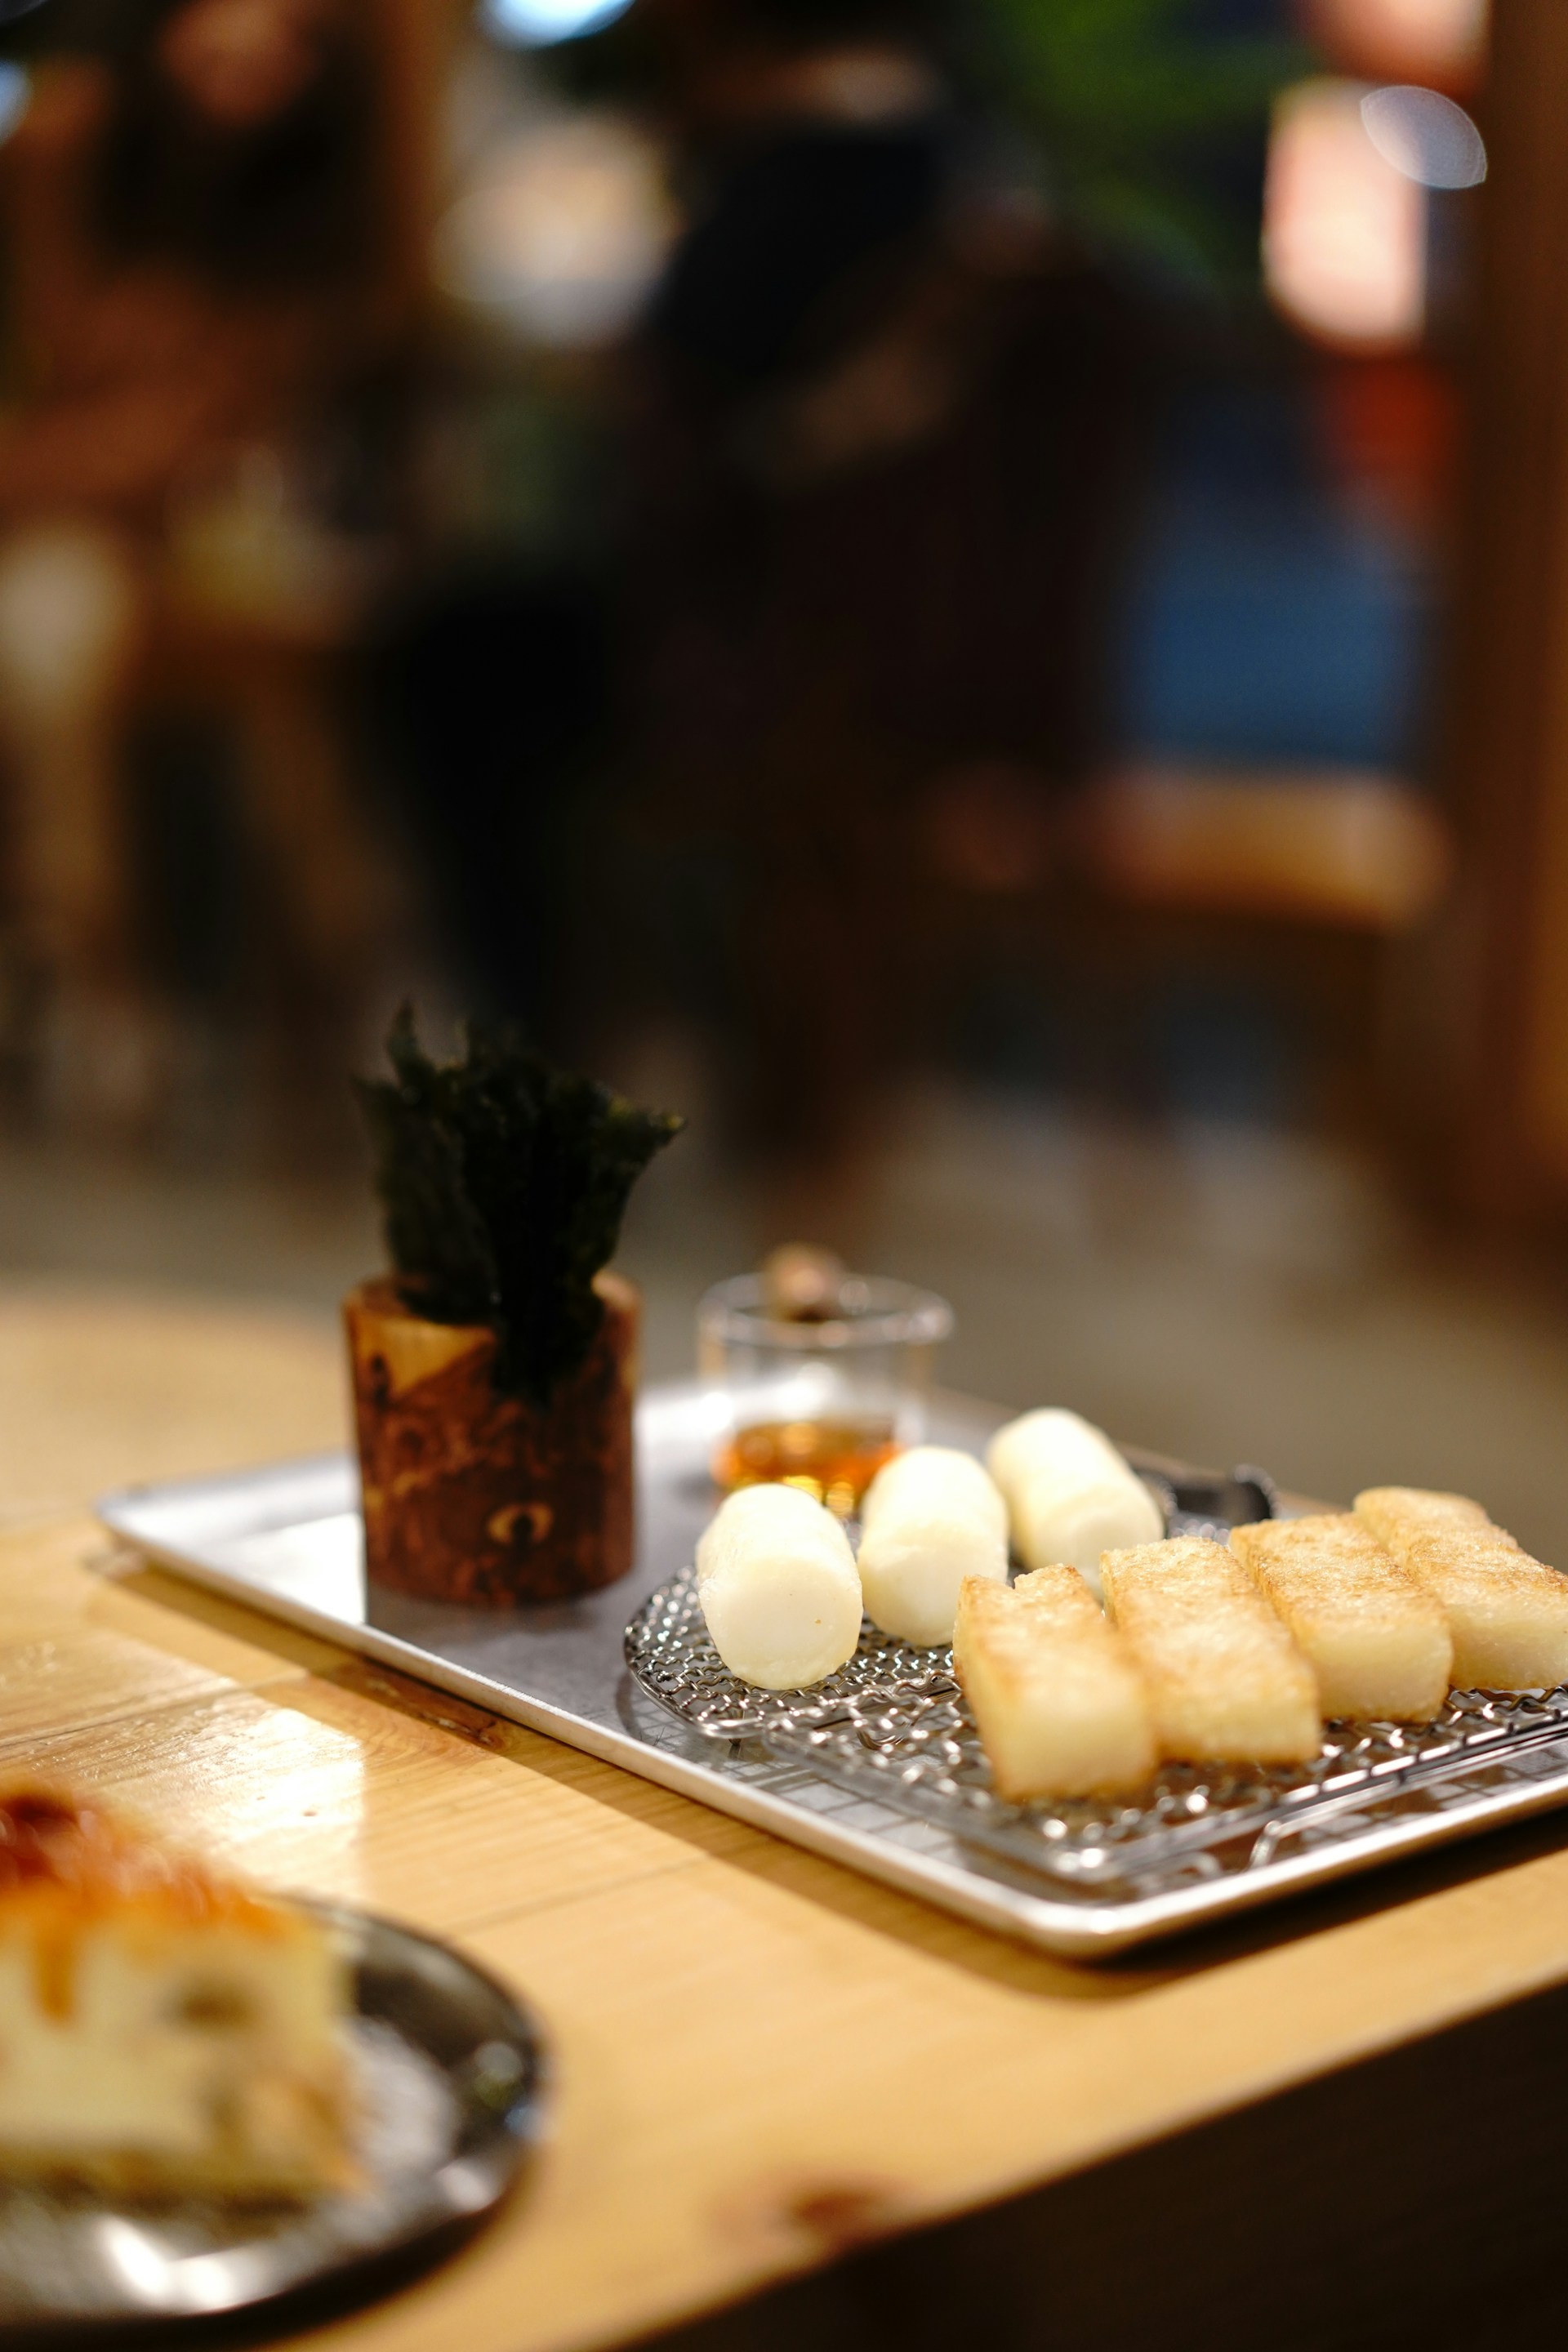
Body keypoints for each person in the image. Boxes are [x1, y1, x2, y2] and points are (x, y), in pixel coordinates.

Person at [0, 0, 394, 1123]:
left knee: (289, 730)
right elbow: (79, 370)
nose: (248, 55)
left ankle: (291, 1015)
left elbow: (197, 431)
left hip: (215, 539)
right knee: (47, 640)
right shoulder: (72, 147)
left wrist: (45, 468)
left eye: (289, 39)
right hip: (70, 533)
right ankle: (95, 979)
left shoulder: (314, 220)